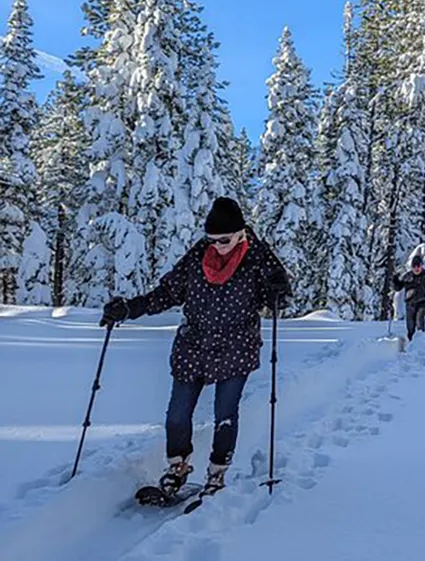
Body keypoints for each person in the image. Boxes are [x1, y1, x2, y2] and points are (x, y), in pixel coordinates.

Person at [99, 197, 290, 498]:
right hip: (193, 346)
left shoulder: (258, 257)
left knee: (224, 413)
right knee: (177, 414)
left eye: (224, 239)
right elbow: (166, 293)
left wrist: (278, 291)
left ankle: (217, 473)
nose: (217, 245)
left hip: (236, 347)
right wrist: (128, 309)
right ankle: (177, 467)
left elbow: (278, 297)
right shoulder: (199, 256)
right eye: (211, 239)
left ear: (240, 233)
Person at [392, 255, 425, 341]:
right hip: (410, 303)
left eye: (418, 266)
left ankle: (420, 341)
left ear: (422, 266)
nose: (416, 268)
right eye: (414, 266)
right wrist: (395, 280)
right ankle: (411, 342)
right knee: (410, 325)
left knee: (419, 321)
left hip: (422, 302)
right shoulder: (407, 276)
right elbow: (398, 288)